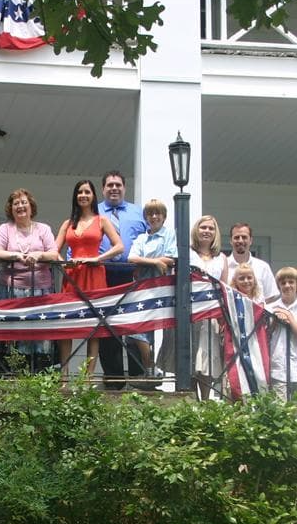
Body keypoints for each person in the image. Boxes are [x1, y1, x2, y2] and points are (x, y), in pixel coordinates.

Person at [55, 179, 124, 379]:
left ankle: (88, 377)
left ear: (93, 195)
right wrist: (64, 263)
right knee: (67, 324)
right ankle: (64, 376)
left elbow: (119, 246)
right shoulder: (68, 223)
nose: (83, 195)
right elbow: (53, 249)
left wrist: (97, 258)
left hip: (94, 275)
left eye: (87, 192)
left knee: (94, 327)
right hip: (73, 276)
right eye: (79, 192)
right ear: (75, 197)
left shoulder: (101, 220)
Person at [0, 188, 60, 372]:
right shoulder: (6, 228)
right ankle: (8, 375)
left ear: (31, 206)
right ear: (11, 209)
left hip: (40, 291)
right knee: (10, 332)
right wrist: (15, 256)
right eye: (16, 204)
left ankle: (38, 375)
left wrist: (39, 254)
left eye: (24, 203)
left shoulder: (43, 229)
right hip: (11, 291)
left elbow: (54, 254)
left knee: (37, 334)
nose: (20, 206)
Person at [95, 171, 148, 388]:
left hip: (132, 275)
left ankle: (137, 377)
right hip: (102, 275)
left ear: (124, 188)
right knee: (107, 327)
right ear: (103, 188)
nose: (114, 188)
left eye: (118, 185)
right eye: (109, 185)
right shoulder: (94, 212)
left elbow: (149, 238)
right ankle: (114, 379)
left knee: (134, 324)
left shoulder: (138, 213)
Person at [125, 199, 177, 381]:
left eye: (158, 213)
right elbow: (131, 258)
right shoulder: (141, 238)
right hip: (141, 290)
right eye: (150, 214)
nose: (154, 217)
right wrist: (155, 261)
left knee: (153, 330)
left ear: (164, 216)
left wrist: (145, 260)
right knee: (136, 329)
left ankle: (151, 370)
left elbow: (172, 258)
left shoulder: (169, 234)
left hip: (161, 290)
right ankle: (150, 367)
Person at [186, 216, 229, 400]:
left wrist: (222, 318)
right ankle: (192, 401)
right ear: (196, 230)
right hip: (190, 313)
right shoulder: (187, 253)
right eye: (203, 227)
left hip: (211, 314)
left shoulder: (221, 258)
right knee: (190, 358)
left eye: (211, 228)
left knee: (207, 361)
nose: (206, 231)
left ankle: (204, 402)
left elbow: (225, 288)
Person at [266, 266, 297, 402]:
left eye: (291, 282)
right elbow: (265, 335)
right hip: (278, 366)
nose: (287, 285)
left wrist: (289, 317)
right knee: (280, 410)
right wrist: (275, 320)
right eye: (283, 283)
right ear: (279, 285)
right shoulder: (270, 308)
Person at [222, 223, 279, 304]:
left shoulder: (262, 267)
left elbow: (270, 297)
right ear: (231, 241)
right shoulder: (223, 266)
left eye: (244, 237)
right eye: (237, 237)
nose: (240, 240)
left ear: (251, 240)